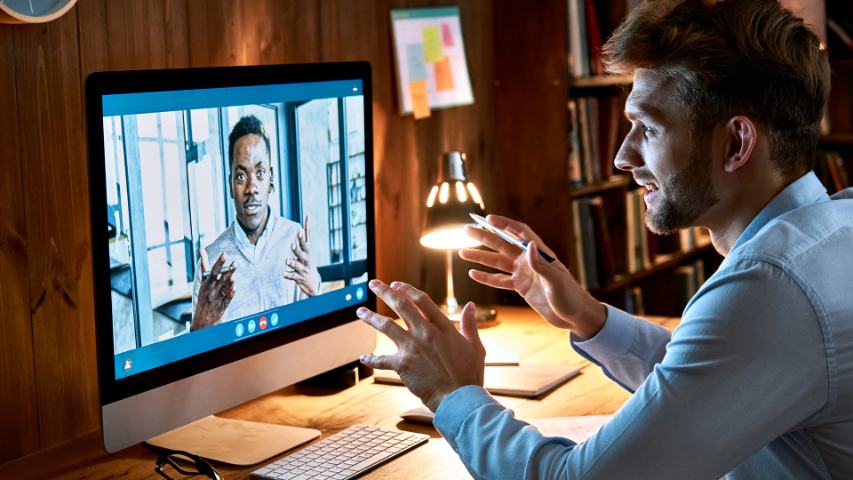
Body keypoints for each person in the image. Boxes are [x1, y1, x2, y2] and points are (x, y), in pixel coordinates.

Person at [357, 0, 853, 478]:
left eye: (648, 128)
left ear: (736, 143)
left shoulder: (769, 288)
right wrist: (588, 317)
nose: (622, 157)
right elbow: (708, 383)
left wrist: (451, 393)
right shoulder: (833, 228)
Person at [191, 115, 320, 331]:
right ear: (230, 185)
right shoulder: (211, 264)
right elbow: (199, 347)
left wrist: (316, 291)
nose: (251, 188)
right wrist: (199, 326)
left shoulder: (295, 239)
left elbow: (316, 329)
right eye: (241, 176)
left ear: (271, 179)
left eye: (260, 173)